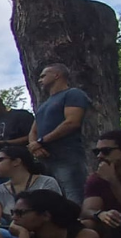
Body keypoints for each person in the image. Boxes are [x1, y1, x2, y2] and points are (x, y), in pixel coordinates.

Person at [29, 63, 91, 203]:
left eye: (43, 76)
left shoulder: (73, 94)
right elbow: (33, 130)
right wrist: (35, 146)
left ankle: (78, 224)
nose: (39, 80)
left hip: (67, 155)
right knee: (53, 200)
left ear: (57, 75)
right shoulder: (43, 105)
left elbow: (72, 122)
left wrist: (41, 142)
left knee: (74, 196)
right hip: (45, 158)